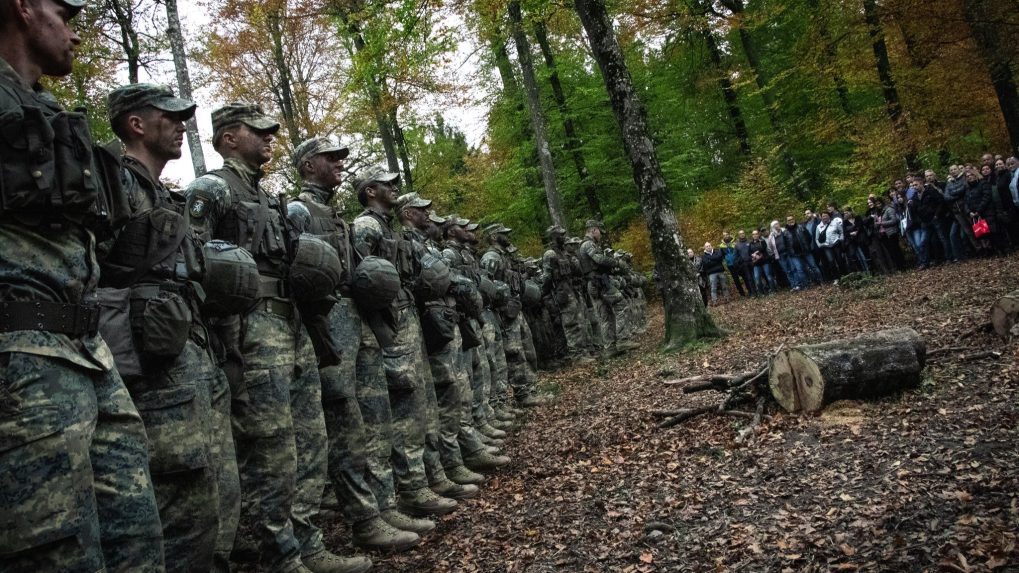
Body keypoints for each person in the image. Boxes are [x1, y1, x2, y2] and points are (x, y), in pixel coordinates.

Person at [0, 1, 165, 571]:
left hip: (89, 353)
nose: (73, 32)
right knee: (56, 549)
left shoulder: (46, 111)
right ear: (23, 8)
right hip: (21, 355)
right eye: (63, 13)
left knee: (136, 537)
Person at [185, 103, 342, 572]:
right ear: (229, 137)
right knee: (271, 447)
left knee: (309, 440)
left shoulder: (270, 199)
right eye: (259, 131)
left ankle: (307, 542)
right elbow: (191, 263)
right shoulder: (211, 189)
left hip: (290, 325)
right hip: (250, 330)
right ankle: (279, 556)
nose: (270, 138)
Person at [99, 83, 241, 573]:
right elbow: (93, 278)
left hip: (191, 357)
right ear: (137, 124)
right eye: (171, 116)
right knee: (179, 501)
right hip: (151, 370)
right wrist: (127, 367)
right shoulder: (114, 183)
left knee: (215, 492)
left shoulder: (164, 196)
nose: (182, 126)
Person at [287, 137, 422, 556]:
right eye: (331, 158)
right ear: (309, 166)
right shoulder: (298, 211)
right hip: (330, 323)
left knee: (375, 415)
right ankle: (357, 521)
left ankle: (381, 507)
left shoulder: (337, 216)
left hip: (358, 320)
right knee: (343, 420)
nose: (339, 164)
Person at [350, 168, 460, 520]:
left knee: (423, 404)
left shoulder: (389, 229)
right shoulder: (365, 227)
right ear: (370, 191)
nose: (394, 187)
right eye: (387, 183)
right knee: (403, 410)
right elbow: (363, 283)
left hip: (407, 320)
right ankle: (409, 489)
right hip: (390, 328)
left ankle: (428, 478)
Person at [814, 211, 847, 279]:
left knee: (839, 260)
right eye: (823, 216)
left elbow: (841, 232)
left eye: (826, 215)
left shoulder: (835, 223)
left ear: (829, 216)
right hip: (826, 246)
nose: (824, 217)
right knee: (831, 261)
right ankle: (836, 278)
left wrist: (840, 239)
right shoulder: (819, 227)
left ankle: (845, 276)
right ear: (821, 217)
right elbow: (816, 238)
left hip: (836, 244)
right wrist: (820, 245)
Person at [748, 229, 776, 293]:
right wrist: (753, 255)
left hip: (765, 261)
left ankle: (773, 290)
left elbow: (763, 248)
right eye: (753, 234)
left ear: (758, 235)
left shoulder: (762, 241)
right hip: (756, 263)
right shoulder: (750, 244)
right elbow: (749, 253)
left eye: (756, 234)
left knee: (769, 276)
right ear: (752, 235)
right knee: (757, 278)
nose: (755, 235)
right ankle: (761, 292)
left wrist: (756, 253)